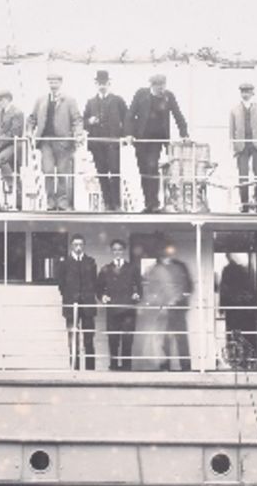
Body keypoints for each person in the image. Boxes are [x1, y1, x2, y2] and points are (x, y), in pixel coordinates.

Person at [129, 73, 190, 214]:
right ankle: (148, 203)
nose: (161, 90)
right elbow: (130, 115)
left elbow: (178, 115)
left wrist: (184, 134)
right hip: (141, 139)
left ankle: (155, 203)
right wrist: (129, 134)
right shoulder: (141, 94)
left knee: (152, 168)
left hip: (156, 140)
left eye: (163, 87)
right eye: (158, 88)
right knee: (143, 171)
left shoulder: (169, 96)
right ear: (152, 86)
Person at [27, 73, 83, 211]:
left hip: (63, 141)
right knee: (48, 171)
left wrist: (78, 134)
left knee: (63, 172)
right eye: (50, 82)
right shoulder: (41, 100)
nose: (53, 84)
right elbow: (32, 118)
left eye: (55, 82)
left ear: (60, 82)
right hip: (46, 141)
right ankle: (50, 202)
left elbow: (77, 119)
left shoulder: (70, 100)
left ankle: (63, 202)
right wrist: (29, 131)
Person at [82, 69, 129, 212]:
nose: (102, 86)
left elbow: (127, 119)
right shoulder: (90, 102)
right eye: (99, 83)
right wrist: (89, 121)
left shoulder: (118, 100)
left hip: (113, 142)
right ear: (95, 84)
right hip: (96, 143)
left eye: (105, 83)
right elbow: (82, 121)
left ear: (109, 83)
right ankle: (107, 203)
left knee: (115, 172)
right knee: (102, 172)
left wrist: (125, 135)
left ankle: (117, 204)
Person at [143, 245, 193, 371]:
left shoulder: (181, 267)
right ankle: (165, 365)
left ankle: (186, 366)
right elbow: (151, 289)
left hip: (178, 309)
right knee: (163, 339)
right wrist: (159, 302)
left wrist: (178, 299)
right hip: (162, 309)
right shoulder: (155, 269)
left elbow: (188, 287)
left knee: (181, 337)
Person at [96, 238, 142, 371]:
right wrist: (102, 296)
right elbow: (98, 288)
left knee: (127, 339)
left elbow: (139, 288)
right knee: (113, 339)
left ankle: (127, 366)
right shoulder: (106, 269)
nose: (117, 252)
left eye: (120, 249)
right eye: (115, 250)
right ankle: (114, 366)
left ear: (124, 251)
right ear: (112, 251)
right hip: (112, 309)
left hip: (128, 309)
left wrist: (137, 295)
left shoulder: (132, 268)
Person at [228, 82, 257, 213]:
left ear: (253, 93)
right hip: (242, 146)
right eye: (243, 92)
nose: (245, 94)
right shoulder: (234, 110)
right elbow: (231, 131)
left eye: (247, 91)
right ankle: (245, 205)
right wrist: (233, 147)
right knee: (243, 176)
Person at [56, 235, 99, 371]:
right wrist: (71, 297)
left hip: (87, 306)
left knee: (89, 339)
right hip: (71, 306)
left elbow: (93, 282)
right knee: (73, 339)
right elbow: (61, 285)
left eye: (81, 244)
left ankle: (90, 371)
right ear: (71, 246)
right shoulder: (64, 263)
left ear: (84, 245)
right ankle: (74, 369)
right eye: (75, 244)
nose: (78, 247)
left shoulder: (90, 262)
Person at [218, 251, 257, 370]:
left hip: (236, 308)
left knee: (235, 334)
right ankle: (245, 361)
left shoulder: (231, 270)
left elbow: (224, 289)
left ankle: (237, 360)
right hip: (242, 308)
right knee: (244, 334)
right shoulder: (247, 269)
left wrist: (222, 307)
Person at [0, 90, 26, 210]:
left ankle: (11, 186)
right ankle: (18, 204)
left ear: (8, 99)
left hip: (14, 146)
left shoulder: (17, 113)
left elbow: (16, 133)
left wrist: (1, 138)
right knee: (15, 173)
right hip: (5, 145)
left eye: (0, 100)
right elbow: (2, 129)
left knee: (0, 160)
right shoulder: (2, 112)